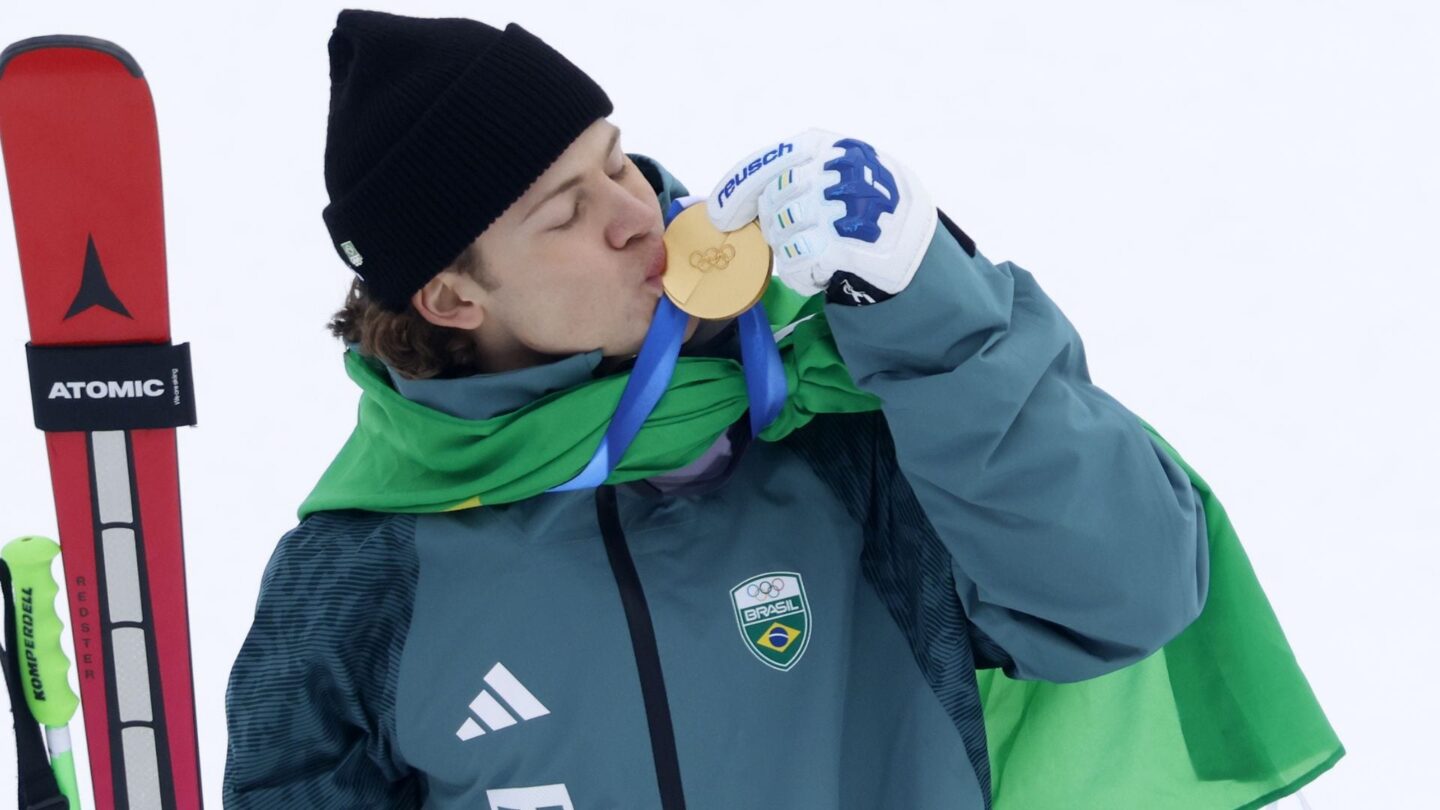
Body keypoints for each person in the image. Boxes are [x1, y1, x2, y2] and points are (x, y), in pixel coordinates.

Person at [224, 9, 1213, 809]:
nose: (635, 214)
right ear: (452, 299)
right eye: (564, 214)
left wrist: (929, 309)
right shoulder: (358, 576)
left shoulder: (836, 415)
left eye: (616, 162)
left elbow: (1127, 595)